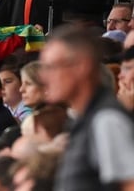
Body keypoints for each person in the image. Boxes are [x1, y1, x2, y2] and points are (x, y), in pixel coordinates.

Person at [40, 25, 134, 190]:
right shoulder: (84, 119)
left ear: (82, 67)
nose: (44, 77)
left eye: (52, 67)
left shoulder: (107, 120)